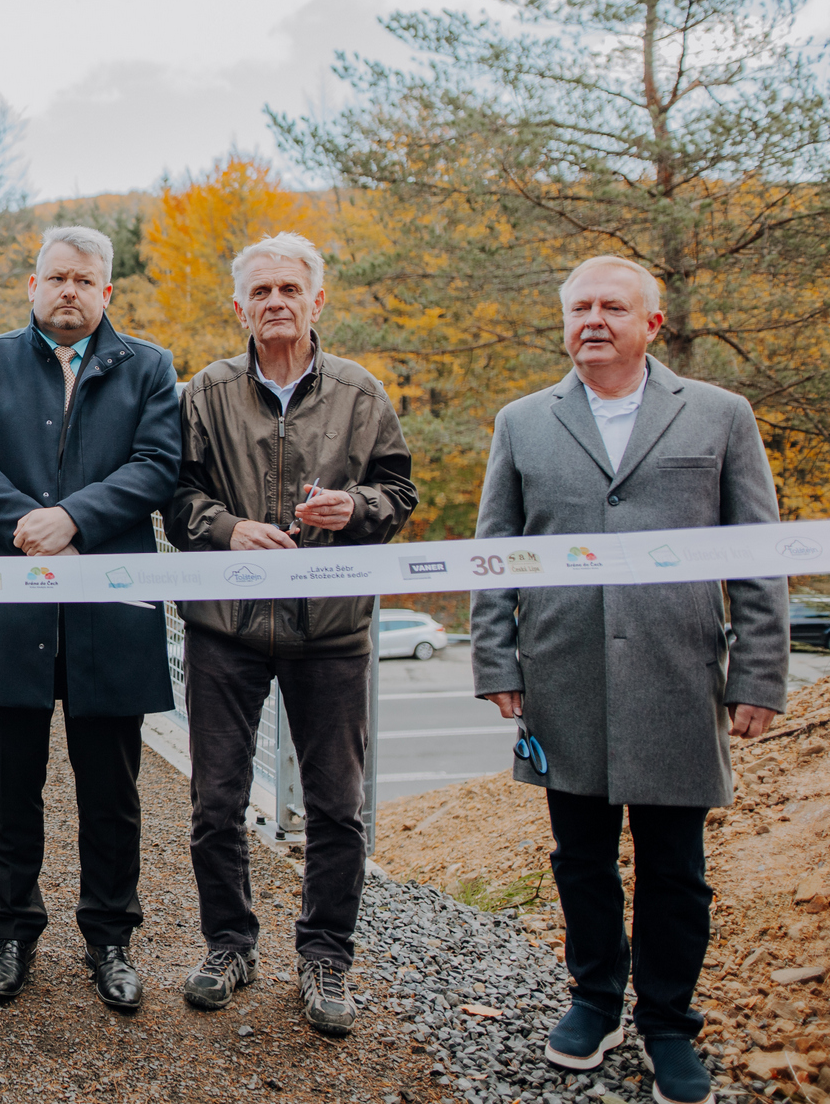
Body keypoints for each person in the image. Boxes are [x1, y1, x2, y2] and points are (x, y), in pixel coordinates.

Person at [472, 255, 786, 1104]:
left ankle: (668, 1025)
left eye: (613, 307)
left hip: (678, 678)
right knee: (580, 858)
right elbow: (495, 549)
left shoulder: (721, 415)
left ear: (652, 322)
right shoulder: (522, 422)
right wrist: (497, 658)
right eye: (579, 309)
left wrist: (759, 668)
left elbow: (758, 554)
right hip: (561, 677)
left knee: (675, 867)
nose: (593, 321)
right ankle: (595, 999)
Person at [164, 232, 417, 1037]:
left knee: (338, 809)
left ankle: (326, 958)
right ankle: (230, 945)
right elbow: (173, 496)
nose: (277, 302)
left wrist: (358, 510)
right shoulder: (204, 391)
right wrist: (228, 528)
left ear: (317, 302)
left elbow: (398, 490)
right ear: (239, 306)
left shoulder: (360, 391)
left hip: (332, 633)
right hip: (225, 630)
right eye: (261, 291)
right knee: (215, 804)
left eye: (290, 290)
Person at [0, 226, 181, 1011]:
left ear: (106, 291)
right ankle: (13, 932)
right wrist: (32, 523)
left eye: (84, 281)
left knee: (110, 791)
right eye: (56, 278)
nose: (68, 291)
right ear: (34, 285)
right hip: (10, 605)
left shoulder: (147, 366)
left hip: (108, 610)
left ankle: (109, 938)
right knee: (9, 786)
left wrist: (72, 518)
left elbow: (156, 466)